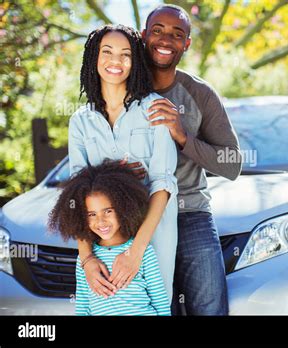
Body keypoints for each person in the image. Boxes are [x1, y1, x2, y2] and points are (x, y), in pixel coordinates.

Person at [142, 4, 242, 315]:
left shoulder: (199, 94)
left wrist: (183, 137)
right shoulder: (122, 88)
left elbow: (232, 163)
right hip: (136, 219)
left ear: (186, 44)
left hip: (190, 213)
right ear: (144, 35)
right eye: (157, 31)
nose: (165, 40)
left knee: (209, 308)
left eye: (176, 34)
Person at [68, 24, 178, 304]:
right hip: (102, 238)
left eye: (125, 54)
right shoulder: (81, 121)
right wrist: (87, 259)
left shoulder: (156, 108)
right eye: (107, 52)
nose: (115, 61)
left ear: (135, 62)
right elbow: (77, 195)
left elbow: (163, 183)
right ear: (94, 57)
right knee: (106, 305)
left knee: (154, 306)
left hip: (153, 233)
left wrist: (136, 251)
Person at [48, 161, 170, 316]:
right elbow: (83, 307)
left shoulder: (144, 253)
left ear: (124, 207)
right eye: (92, 214)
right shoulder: (84, 261)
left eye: (108, 211)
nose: (100, 221)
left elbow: (160, 302)